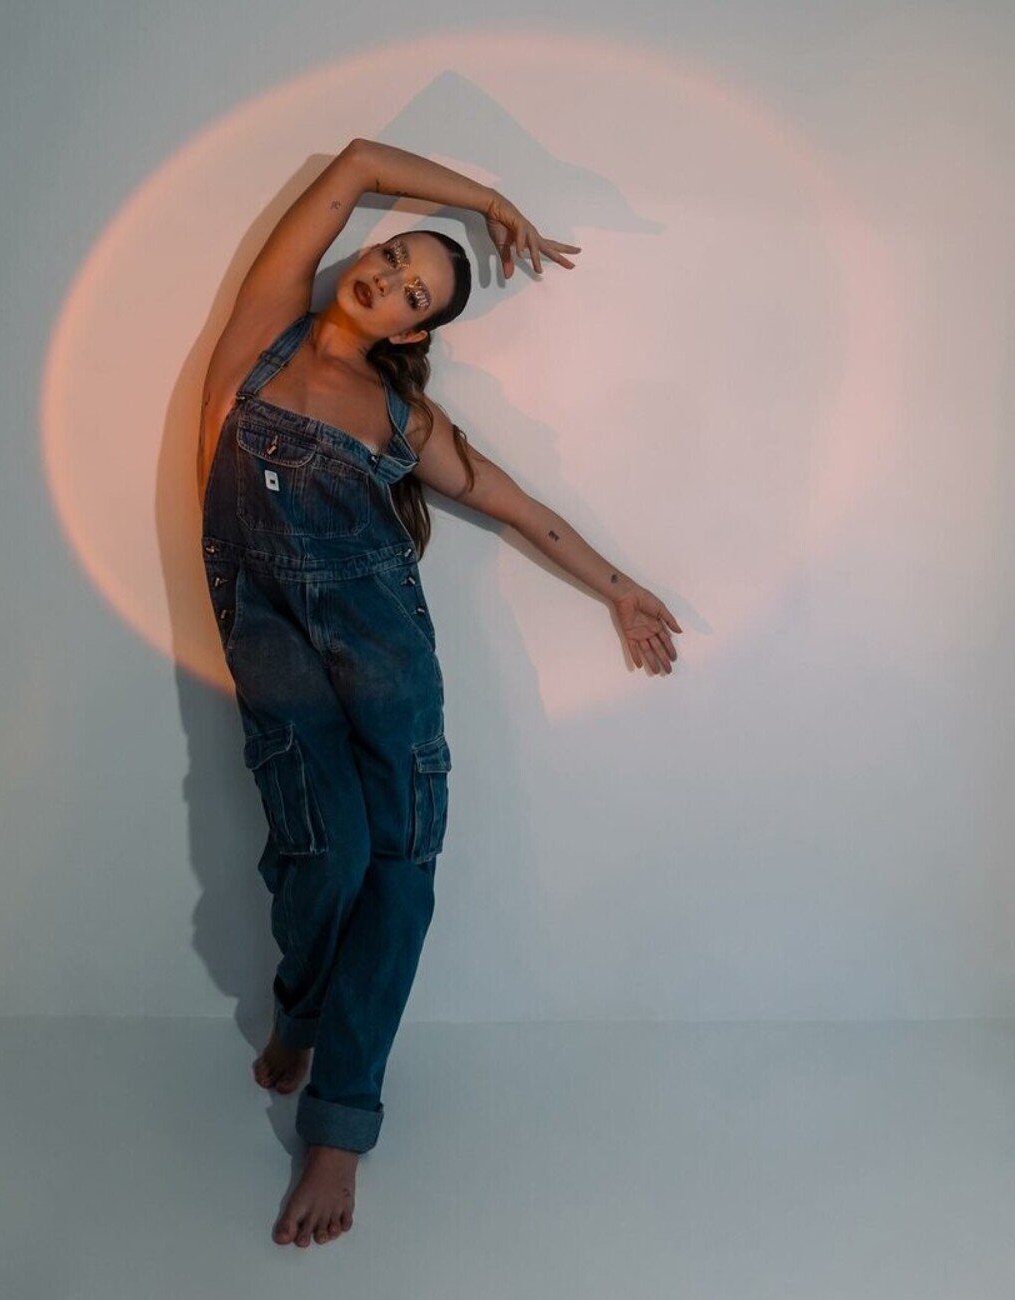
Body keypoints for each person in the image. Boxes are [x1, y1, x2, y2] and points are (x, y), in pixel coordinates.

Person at [196, 137, 683, 1250]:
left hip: (391, 661)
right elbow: (355, 162)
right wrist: (488, 200)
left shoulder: (400, 419)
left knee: (401, 873)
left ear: (412, 335)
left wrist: (619, 588)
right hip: (275, 653)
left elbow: (518, 507)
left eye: (414, 294)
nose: (389, 281)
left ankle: (338, 1127)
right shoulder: (261, 336)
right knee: (323, 855)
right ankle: (304, 1009)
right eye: (396, 259)